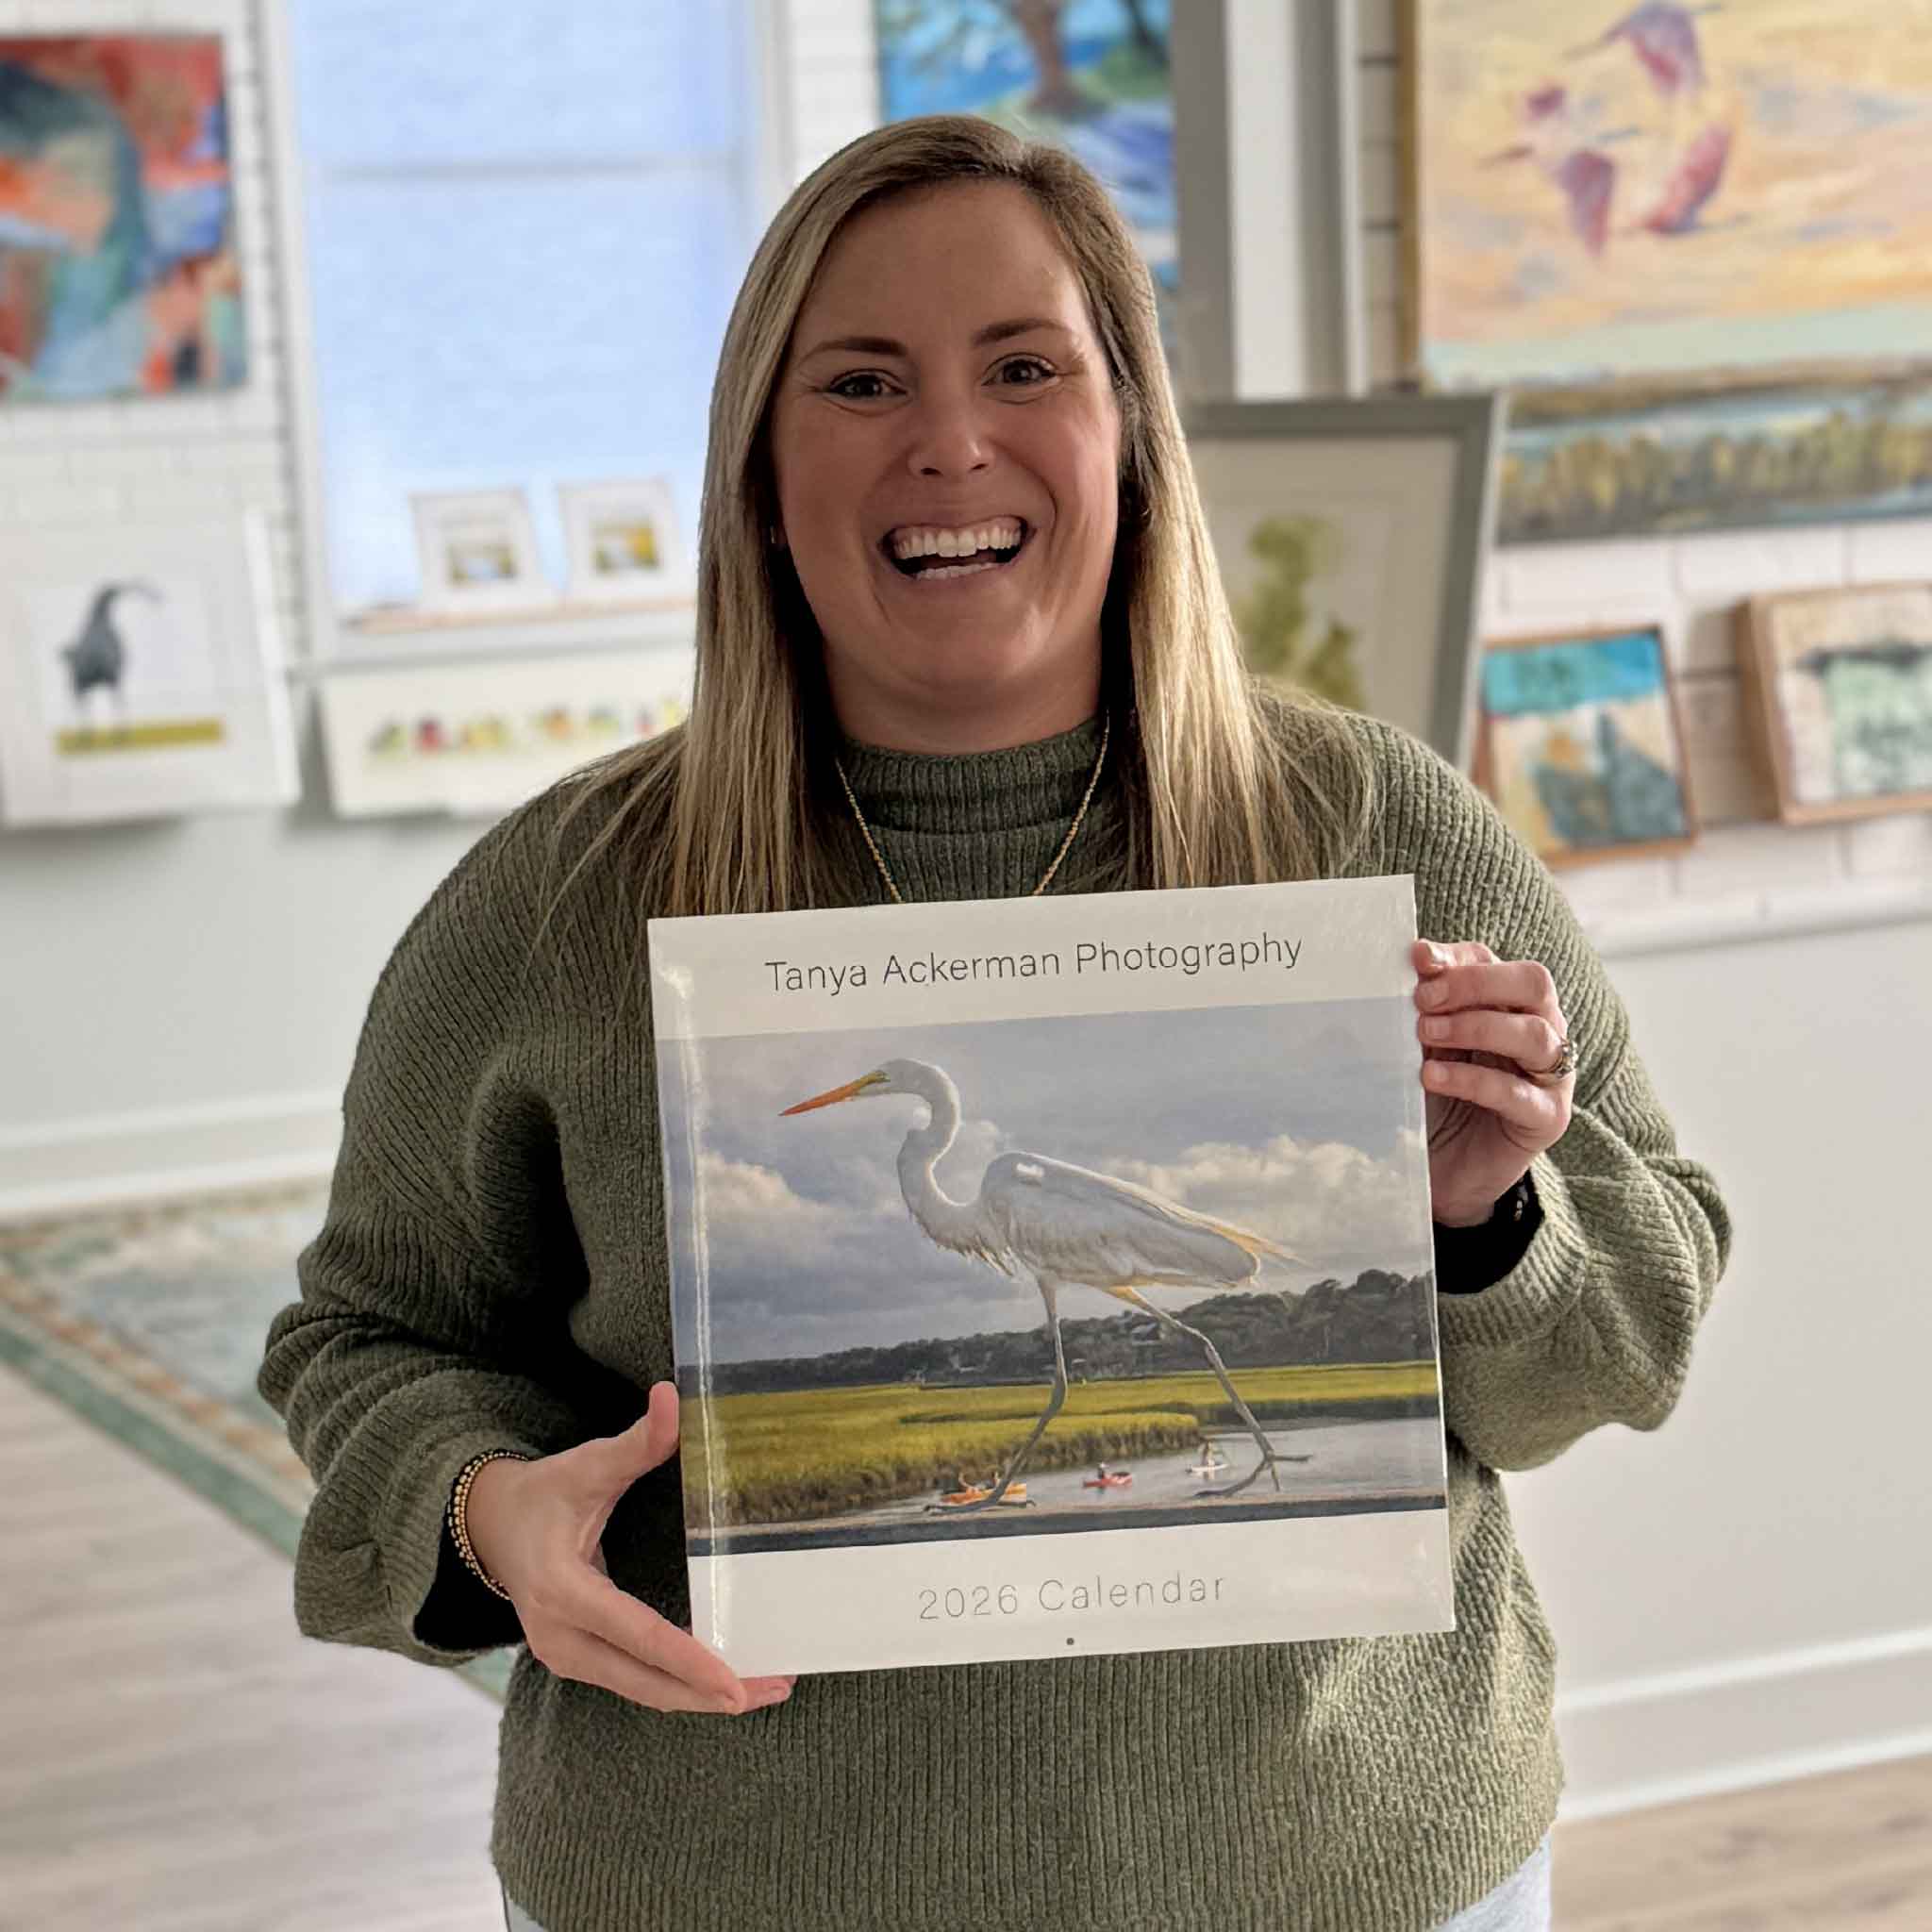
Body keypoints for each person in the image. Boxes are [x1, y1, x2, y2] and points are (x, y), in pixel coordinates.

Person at [258, 114, 1729, 1932]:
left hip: (1355, 1875)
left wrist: (1486, 1217)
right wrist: (486, 1509)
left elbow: (1623, 1345)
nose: (949, 443)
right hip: (720, 1889)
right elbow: (369, 1336)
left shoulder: (1377, 829)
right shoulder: (555, 904)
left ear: (1132, 433)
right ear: (758, 472)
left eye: (1024, 367)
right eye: (861, 381)